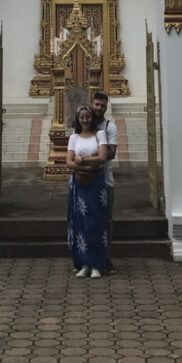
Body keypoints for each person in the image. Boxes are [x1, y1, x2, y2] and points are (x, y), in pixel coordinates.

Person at [66, 104, 111, 278]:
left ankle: (98, 264)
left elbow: (102, 158)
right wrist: (81, 164)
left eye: (88, 117)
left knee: (96, 222)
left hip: (96, 183)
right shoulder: (74, 137)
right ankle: (84, 263)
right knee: (80, 223)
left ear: (92, 118)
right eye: (82, 117)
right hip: (79, 183)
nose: (85, 120)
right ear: (78, 119)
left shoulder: (100, 134)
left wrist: (82, 160)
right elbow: (68, 162)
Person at [91, 91, 117, 251]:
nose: (99, 108)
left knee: (107, 219)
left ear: (106, 107)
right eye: (97, 104)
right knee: (87, 218)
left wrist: (90, 157)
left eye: (102, 105)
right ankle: (87, 255)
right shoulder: (84, 123)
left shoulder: (110, 127)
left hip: (105, 179)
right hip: (85, 179)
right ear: (91, 103)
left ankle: (106, 255)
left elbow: (112, 153)